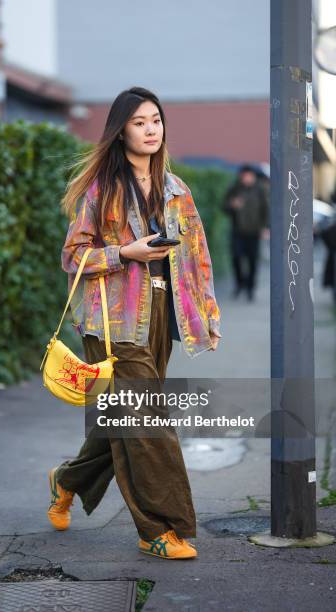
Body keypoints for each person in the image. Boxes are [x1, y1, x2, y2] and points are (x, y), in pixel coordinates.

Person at [47, 87, 222, 560]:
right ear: (121, 129)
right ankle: (158, 530)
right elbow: (73, 256)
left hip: (162, 315)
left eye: (156, 120)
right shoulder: (102, 189)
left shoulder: (177, 190)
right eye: (140, 121)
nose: (150, 129)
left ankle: (68, 481)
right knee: (146, 421)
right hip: (113, 320)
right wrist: (126, 252)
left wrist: (206, 315)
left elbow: (197, 258)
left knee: (128, 416)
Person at [222, 165, 270, 301]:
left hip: (254, 232)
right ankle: (239, 284)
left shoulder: (261, 189)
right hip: (237, 231)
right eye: (244, 175)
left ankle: (250, 289)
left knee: (253, 261)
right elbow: (224, 206)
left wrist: (265, 227)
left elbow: (266, 209)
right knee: (236, 258)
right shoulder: (235, 188)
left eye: (249, 175)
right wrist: (232, 205)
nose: (247, 178)